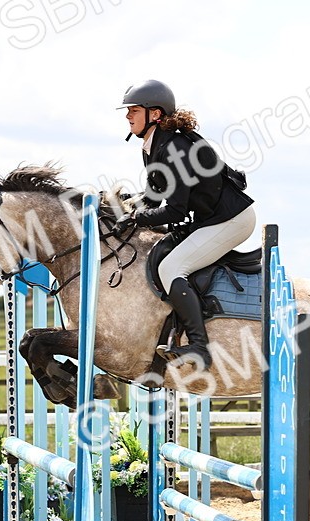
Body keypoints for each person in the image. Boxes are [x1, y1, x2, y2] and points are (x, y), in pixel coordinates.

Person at [114, 80, 255, 370]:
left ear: (155, 114)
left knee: (171, 268)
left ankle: (199, 347)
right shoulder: (153, 146)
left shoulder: (174, 149)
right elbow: (154, 197)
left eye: (134, 110)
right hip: (210, 219)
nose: (128, 115)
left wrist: (136, 218)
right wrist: (123, 207)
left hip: (232, 220)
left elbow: (175, 211)